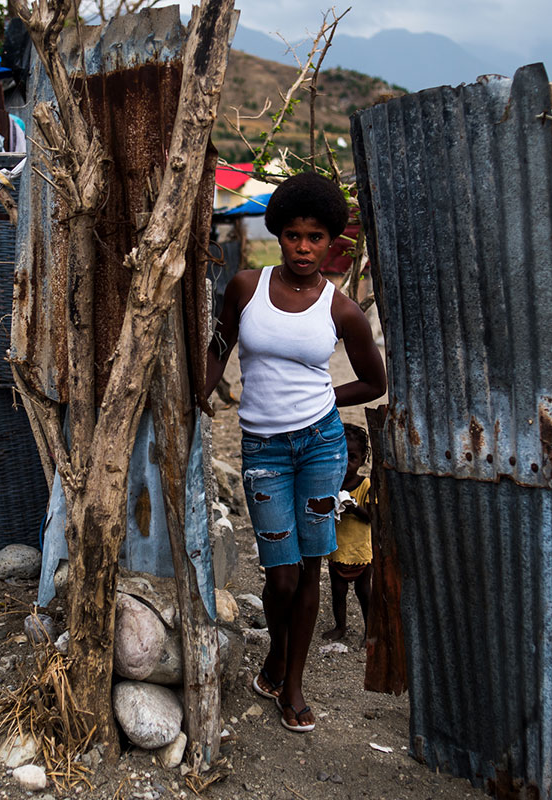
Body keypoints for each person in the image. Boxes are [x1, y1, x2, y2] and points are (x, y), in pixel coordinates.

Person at [201, 172, 386, 734]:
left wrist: (326, 397)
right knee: (279, 575)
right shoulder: (244, 287)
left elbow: (373, 381)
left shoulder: (341, 309)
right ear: (277, 234)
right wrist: (196, 395)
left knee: (310, 567)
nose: (304, 247)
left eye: (317, 237)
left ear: (332, 241)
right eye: (294, 235)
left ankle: (292, 681)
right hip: (263, 450)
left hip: (321, 446)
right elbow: (218, 348)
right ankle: (277, 655)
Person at [322, 423, 373, 644]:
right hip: (338, 550)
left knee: (364, 593)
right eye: (341, 456)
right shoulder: (332, 483)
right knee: (338, 592)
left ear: (362, 459)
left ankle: (370, 630)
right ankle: (340, 626)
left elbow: (371, 517)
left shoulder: (365, 485)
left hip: (361, 551)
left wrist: (353, 507)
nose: (346, 462)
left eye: (352, 457)